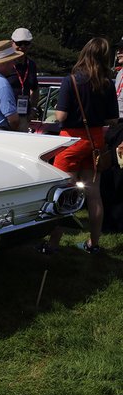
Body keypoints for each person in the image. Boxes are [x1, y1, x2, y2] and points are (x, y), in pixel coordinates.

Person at [40, 37, 118, 254]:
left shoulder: (72, 80)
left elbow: (61, 115)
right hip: (95, 141)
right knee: (94, 194)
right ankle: (94, 243)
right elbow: (112, 119)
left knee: (63, 193)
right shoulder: (107, 84)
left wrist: (59, 110)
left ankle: (53, 243)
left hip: (71, 141)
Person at [101, 36, 123, 233]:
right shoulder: (120, 73)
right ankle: (110, 219)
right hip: (116, 126)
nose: (120, 53)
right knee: (110, 172)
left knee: (118, 174)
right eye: (119, 49)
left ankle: (115, 222)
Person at [9, 28, 39, 132]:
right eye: (19, 43)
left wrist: (34, 108)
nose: (22, 47)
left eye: (26, 43)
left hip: (23, 117)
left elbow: (35, 89)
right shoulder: (5, 64)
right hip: (6, 116)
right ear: (12, 43)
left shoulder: (31, 65)